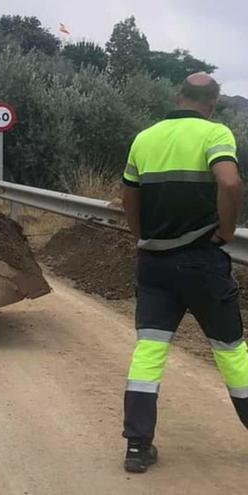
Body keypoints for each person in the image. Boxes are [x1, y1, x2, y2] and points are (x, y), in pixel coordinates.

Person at [121, 72, 247, 473]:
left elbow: (128, 193)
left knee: (150, 351)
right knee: (230, 351)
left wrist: (142, 235)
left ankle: (137, 447)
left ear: (179, 96)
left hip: (153, 264)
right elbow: (229, 183)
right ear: (213, 102)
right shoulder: (216, 134)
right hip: (201, 262)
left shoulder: (146, 137)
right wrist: (225, 231)